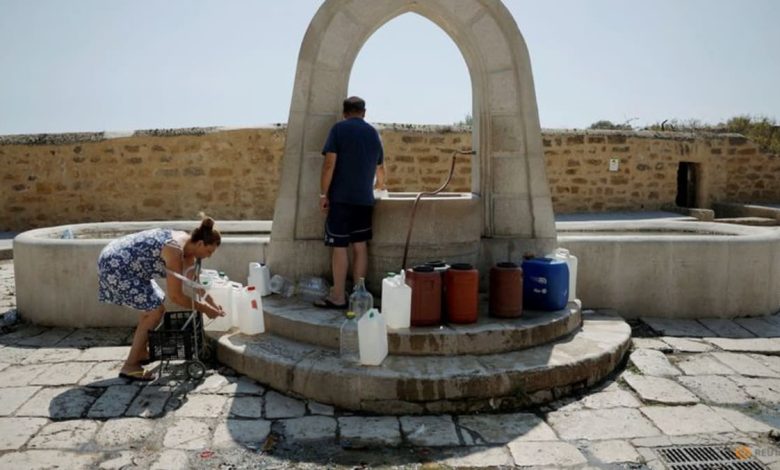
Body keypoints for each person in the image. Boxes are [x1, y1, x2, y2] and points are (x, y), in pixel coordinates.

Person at [97, 215, 226, 381]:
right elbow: (176, 296)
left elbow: (196, 284)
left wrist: (214, 304)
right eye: (209, 251)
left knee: (154, 305)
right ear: (200, 243)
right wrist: (205, 310)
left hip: (127, 264)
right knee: (155, 311)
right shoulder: (175, 251)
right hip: (116, 266)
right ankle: (130, 366)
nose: (209, 256)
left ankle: (141, 352)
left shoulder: (189, 249)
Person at [315, 96, 386, 309]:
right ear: (363, 112)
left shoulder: (338, 130)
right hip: (364, 200)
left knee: (339, 246)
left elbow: (329, 164)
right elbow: (380, 169)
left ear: (345, 112)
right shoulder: (373, 133)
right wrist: (379, 186)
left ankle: (338, 296)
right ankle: (359, 294)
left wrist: (323, 194)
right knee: (360, 246)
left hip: (341, 199)